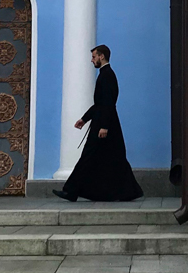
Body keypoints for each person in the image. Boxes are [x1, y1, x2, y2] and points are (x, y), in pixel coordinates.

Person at [53, 45, 144, 202]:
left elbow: (108, 103)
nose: (91, 60)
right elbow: (100, 104)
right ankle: (130, 191)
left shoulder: (107, 75)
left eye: (94, 56)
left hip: (105, 124)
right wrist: (84, 119)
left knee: (90, 156)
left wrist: (104, 126)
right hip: (105, 122)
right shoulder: (105, 74)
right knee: (115, 158)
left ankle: (71, 191)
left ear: (102, 57)